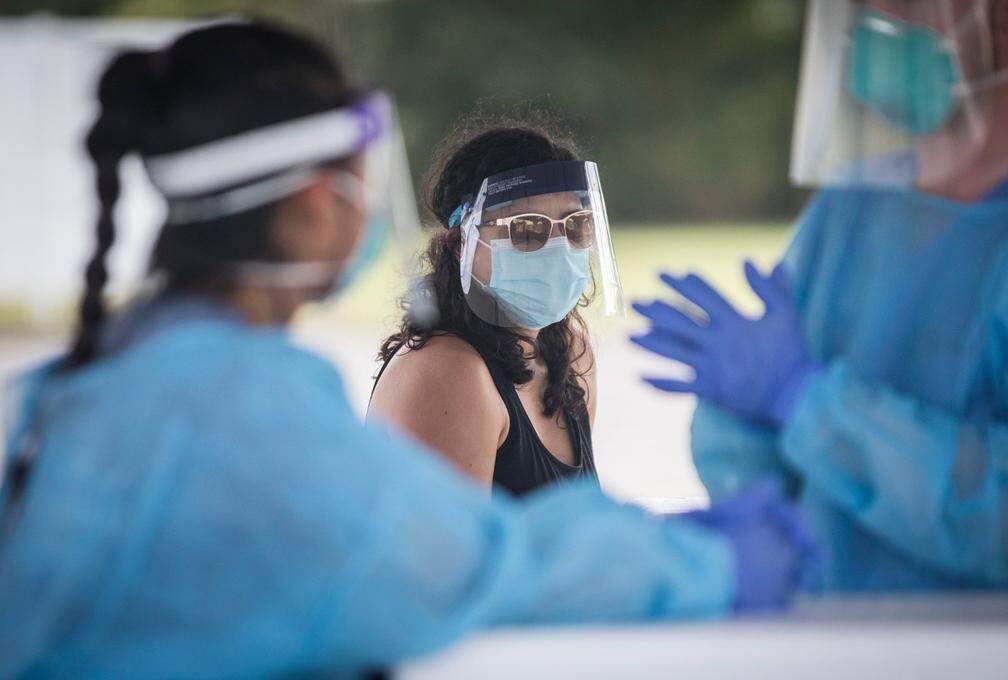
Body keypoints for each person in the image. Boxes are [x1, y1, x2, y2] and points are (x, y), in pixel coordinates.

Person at [0, 21, 818, 677]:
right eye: (360, 183)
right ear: (321, 202)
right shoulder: (249, 411)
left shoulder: (101, 374)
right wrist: (699, 562)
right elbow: (455, 567)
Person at [630, 0, 1008, 669]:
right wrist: (746, 416)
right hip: (835, 650)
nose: (880, 18)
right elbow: (766, 484)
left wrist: (806, 402)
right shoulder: (849, 212)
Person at [368, 122, 612, 495]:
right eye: (527, 229)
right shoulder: (447, 373)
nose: (560, 247)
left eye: (576, 225)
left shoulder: (571, 355)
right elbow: (445, 551)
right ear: (460, 245)